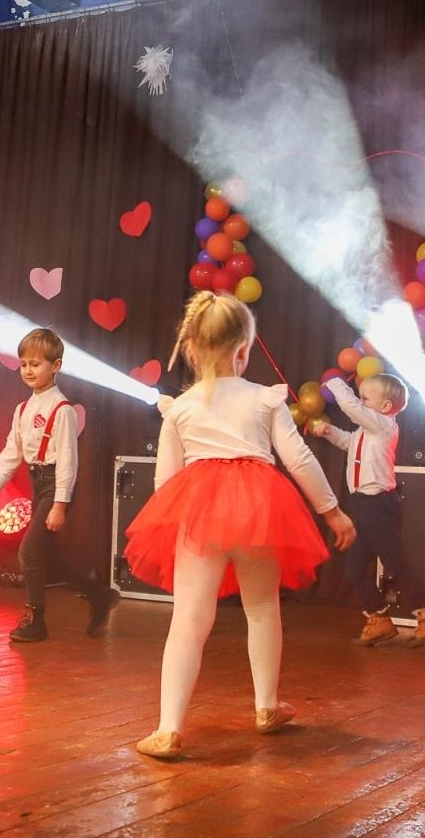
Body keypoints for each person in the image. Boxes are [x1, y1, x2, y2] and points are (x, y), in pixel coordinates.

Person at [124, 292, 356, 759]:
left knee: (189, 620)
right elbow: (300, 459)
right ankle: (266, 706)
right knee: (262, 608)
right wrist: (332, 510)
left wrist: (170, 528)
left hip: (199, 514)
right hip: (259, 510)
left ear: (191, 348)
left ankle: (169, 728)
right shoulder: (265, 399)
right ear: (243, 351)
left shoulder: (180, 408)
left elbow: (165, 481)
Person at [0, 328, 113, 642]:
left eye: (35, 364)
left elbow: (68, 459)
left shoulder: (61, 410)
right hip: (38, 482)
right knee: (47, 556)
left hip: (56, 484)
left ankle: (35, 619)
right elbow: (12, 450)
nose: (28, 370)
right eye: (24, 363)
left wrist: (60, 504)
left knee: (28, 553)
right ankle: (98, 594)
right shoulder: (23, 409)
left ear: (56, 366)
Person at [311, 373, 425, 646]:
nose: (359, 403)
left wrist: (337, 383)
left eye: (364, 398)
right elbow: (349, 443)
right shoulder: (367, 431)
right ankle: (380, 619)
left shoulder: (384, 426)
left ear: (385, 407)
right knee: (354, 568)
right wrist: (329, 432)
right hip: (364, 506)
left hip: (378, 506)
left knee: (394, 561)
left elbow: (352, 409)